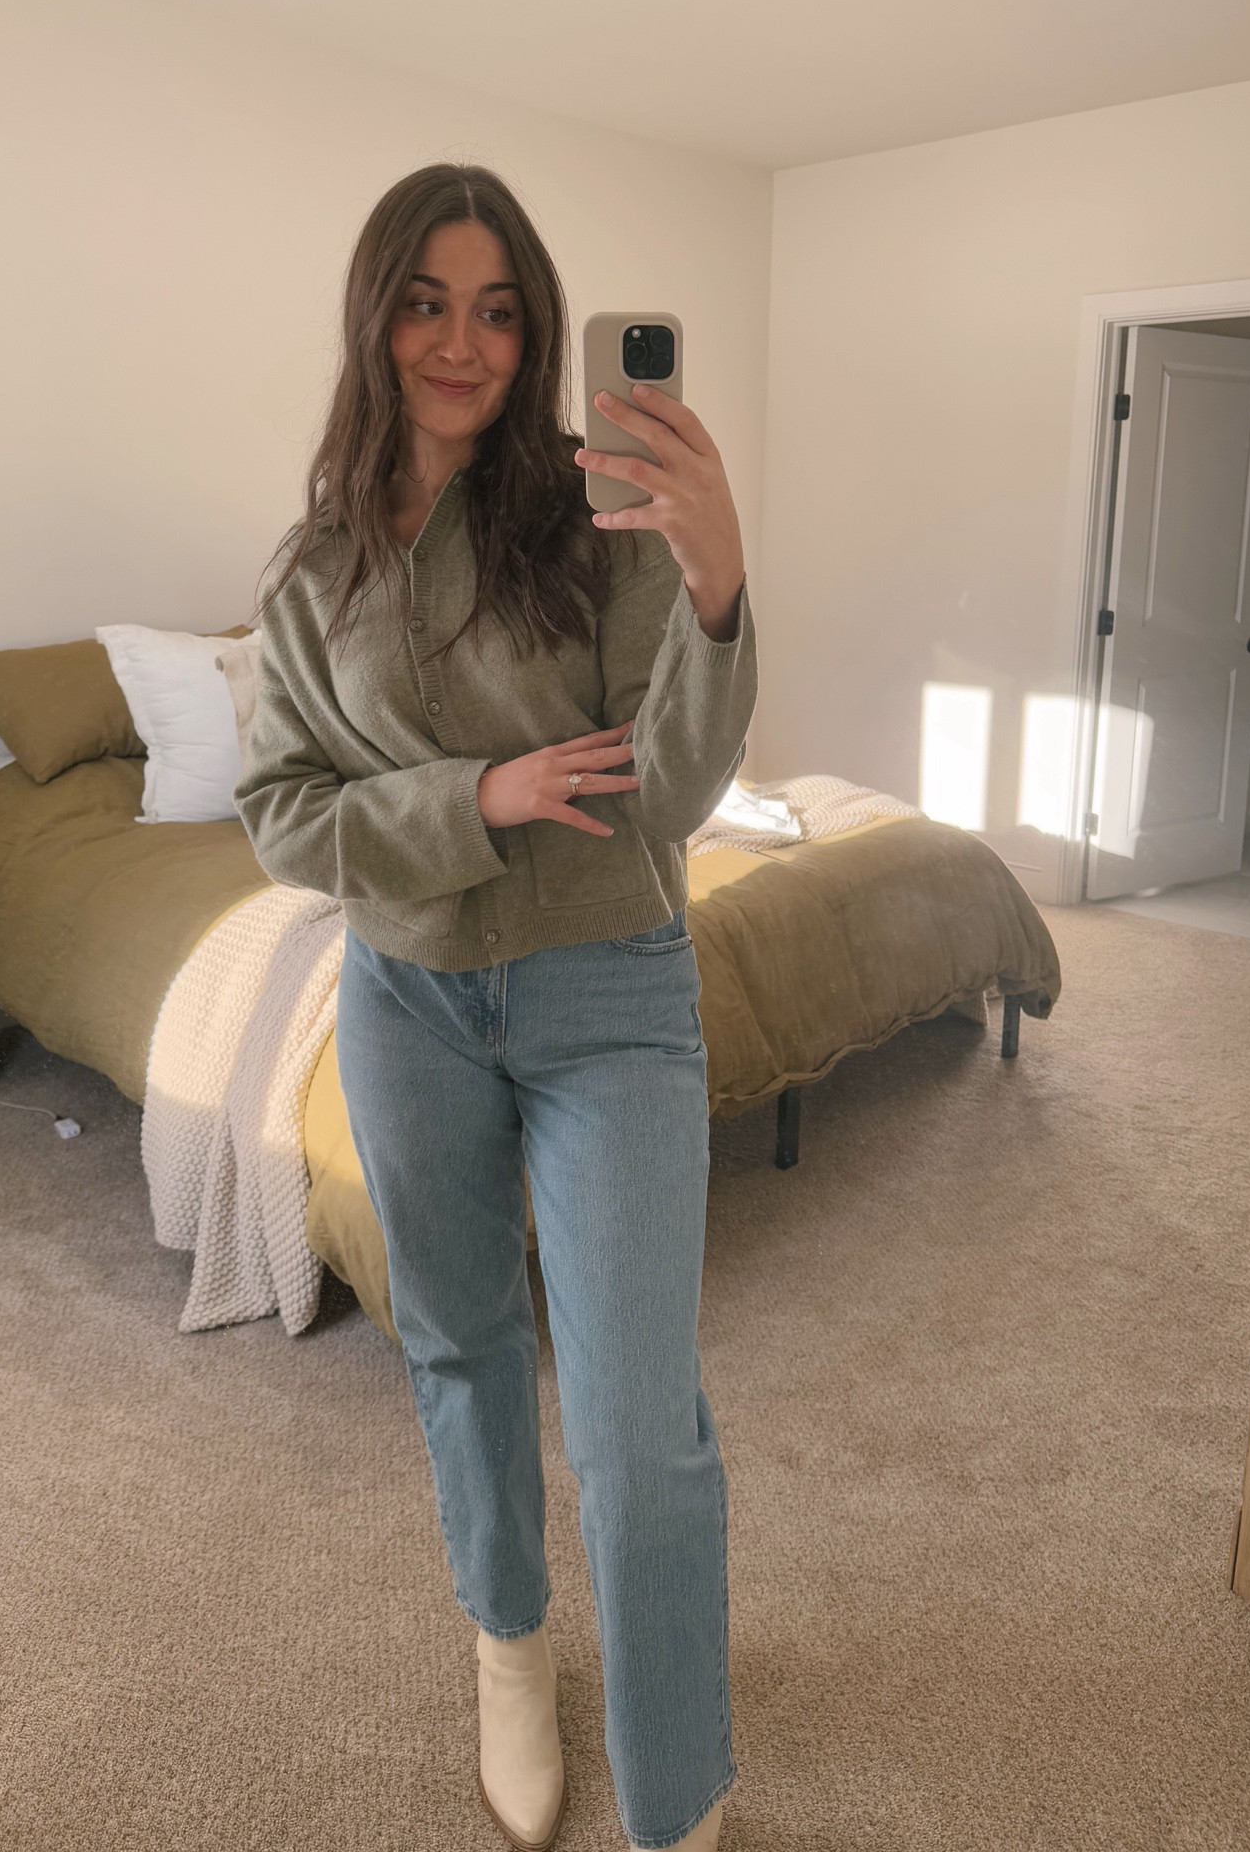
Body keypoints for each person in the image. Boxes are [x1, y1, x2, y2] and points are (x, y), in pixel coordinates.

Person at [236, 163, 756, 1852]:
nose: (460, 343)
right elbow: (283, 817)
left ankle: (675, 1793)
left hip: (612, 991)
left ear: (537, 336)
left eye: (499, 310)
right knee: (461, 1349)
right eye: (425, 302)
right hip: (408, 999)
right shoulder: (310, 574)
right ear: (374, 318)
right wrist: (479, 797)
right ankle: (511, 1656)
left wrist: (716, 582)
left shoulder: (597, 520)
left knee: (636, 1427)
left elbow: (671, 789)